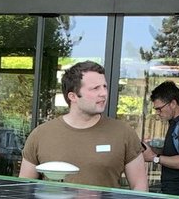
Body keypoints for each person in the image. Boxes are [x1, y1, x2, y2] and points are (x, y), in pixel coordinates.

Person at [19, 61, 148, 190]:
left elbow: (140, 186)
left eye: (104, 86)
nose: (103, 93)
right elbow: (24, 188)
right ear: (73, 96)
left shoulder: (123, 133)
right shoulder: (41, 135)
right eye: (95, 88)